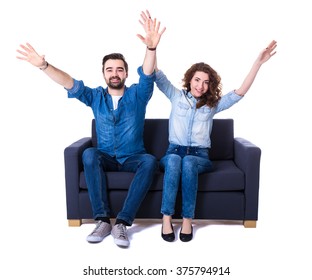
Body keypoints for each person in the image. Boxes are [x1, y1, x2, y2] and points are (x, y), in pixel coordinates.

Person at [16, 11, 166, 248]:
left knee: (149, 161)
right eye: (109, 69)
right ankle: (103, 220)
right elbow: (69, 83)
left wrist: (151, 49)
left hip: (132, 157)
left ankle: (122, 224)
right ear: (104, 73)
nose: (114, 73)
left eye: (119, 69)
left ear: (126, 73)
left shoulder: (139, 94)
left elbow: (148, 74)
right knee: (89, 153)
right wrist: (44, 65)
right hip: (105, 156)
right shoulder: (95, 96)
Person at [156, 40, 277, 242]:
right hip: (173, 153)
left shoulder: (212, 105)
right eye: (197, 80)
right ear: (189, 80)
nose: (200, 86)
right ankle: (166, 218)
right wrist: (152, 47)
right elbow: (157, 76)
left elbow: (240, 92)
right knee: (177, 160)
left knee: (188, 161)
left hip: (199, 157)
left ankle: (187, 220)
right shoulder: (176, 97)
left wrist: (258, 63)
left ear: (210, 85)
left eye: (206, 82)